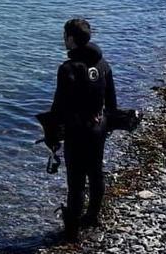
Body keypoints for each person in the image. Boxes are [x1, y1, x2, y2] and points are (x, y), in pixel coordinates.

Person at [46, 18, 117, 242]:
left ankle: (72, 231)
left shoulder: (68, 69)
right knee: (95, 173)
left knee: (76, 181)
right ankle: (93, 217)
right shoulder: (103, 64)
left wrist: (52, 135)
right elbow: (112, 102)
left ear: (71, 39)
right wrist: (107, 124)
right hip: (98, 127)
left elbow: (59, 106)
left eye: (64, 36)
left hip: (77, 131)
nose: (63, 40)